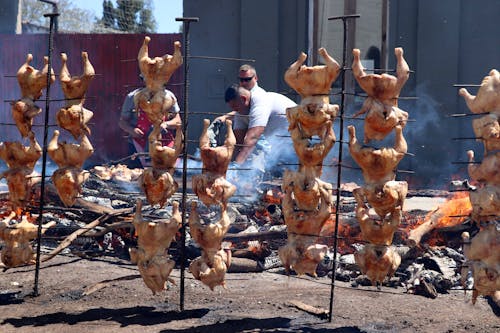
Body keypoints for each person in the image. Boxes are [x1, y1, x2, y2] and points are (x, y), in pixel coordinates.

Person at [222, 84, 297, 168]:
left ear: (243, 99)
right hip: (279, 144)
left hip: (299, 140)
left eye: (235, 107)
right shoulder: (241, 110)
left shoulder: (260, 102)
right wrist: (227, 165)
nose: (235, 111)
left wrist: (236, 167)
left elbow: (252, 138)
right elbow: (238, 142)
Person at [118, 80, 181, 168]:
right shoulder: (132, 97)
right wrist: (131, 130)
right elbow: (122, 122)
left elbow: (178, 121)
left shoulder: (169, 96)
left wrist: (166, 124)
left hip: (164, 143)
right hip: (139, 145)